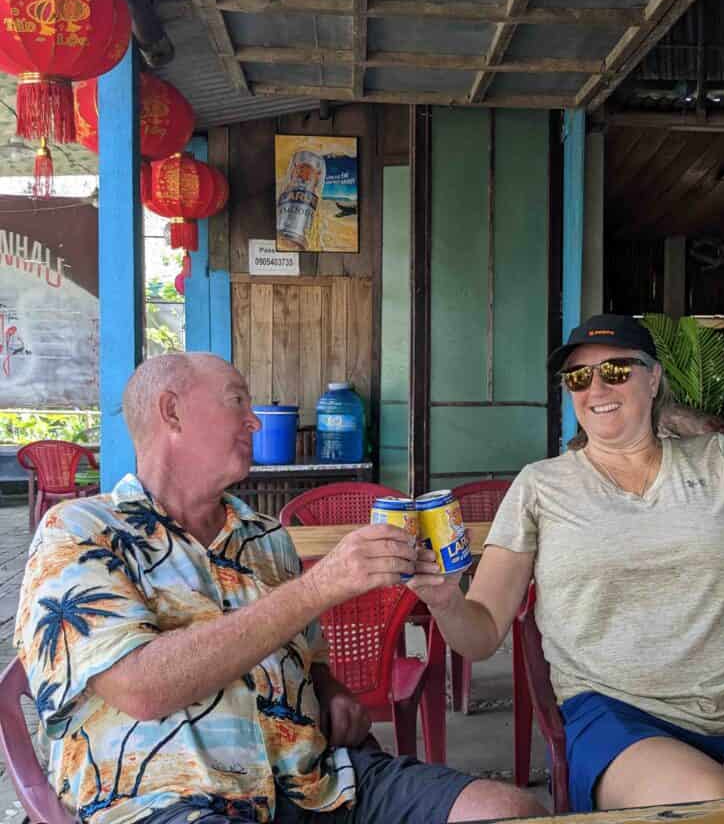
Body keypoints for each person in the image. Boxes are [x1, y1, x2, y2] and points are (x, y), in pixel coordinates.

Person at [14, 353, 546, 824]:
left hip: (317, 786)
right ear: (171, 412)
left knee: (513, 812)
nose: (253, 418)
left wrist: (333, 692)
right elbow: (140, 688)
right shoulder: (80, 531)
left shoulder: (266, 537)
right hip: (167, 796)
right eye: (236, 401)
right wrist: (320, 587)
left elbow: (308, 661)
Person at [409, 314, 724, 812]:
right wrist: (447, 601)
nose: (595, 387)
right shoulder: (540, 486)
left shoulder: (721, 460)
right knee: (720, 810)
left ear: (655, 377)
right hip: (621, 719)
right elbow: (485, 628)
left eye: (616, 370)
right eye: (578, 376)